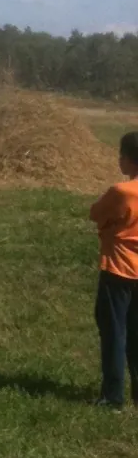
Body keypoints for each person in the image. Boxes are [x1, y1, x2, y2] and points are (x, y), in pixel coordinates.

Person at [89, 131, 138, 409]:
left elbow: (96, 213)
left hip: (118, 270)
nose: (119, 160)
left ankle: (112, 396)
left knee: (114, 332)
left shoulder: (121, 192)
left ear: (131, 160)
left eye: (122, 155)